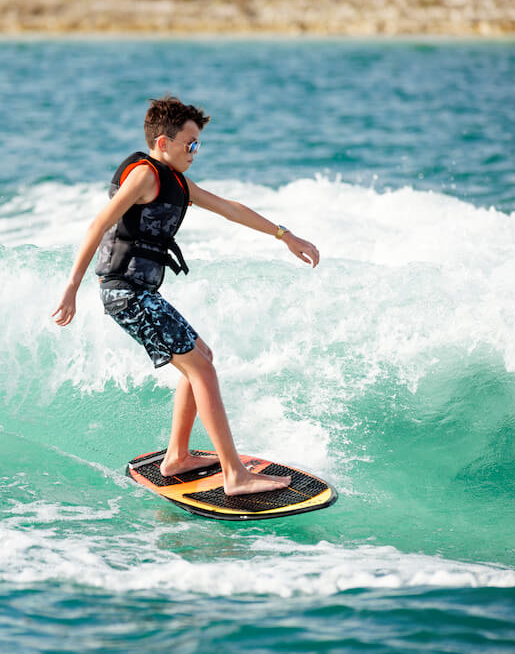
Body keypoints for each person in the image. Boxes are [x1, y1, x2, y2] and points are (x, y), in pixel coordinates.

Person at [51, 96, 320, 496]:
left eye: (198, 145)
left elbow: (230, 209)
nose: (195, 152)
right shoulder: (144, 175)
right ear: (163, 142)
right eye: (189, 144)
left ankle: (177, 457)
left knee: (202, 358)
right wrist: (71, 286)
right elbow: (97, 225)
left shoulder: (177, 181)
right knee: (202, 370)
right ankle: (235, 475)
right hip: (125, 294)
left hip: (140, 292)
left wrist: (285, 235)